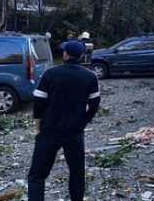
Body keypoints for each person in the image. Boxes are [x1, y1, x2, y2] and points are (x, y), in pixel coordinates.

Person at [28, 41, 101, 201]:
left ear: (65, 54)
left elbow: (38, 100)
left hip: (49, 131)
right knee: (76, 172)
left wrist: (38, 123)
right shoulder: (90, 76)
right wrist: (83, 122)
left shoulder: (51, 73)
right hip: (74, 133)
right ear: (82, 56)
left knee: (37, 175)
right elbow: (94, 105)